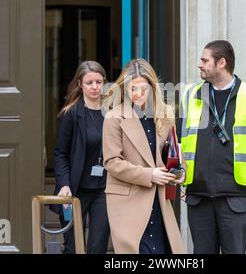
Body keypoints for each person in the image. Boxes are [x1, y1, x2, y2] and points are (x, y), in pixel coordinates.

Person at [180, 40, 246, 254]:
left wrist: (241, 174)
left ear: (221, 62)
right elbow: (181, 141)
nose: (200, 64)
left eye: (205, 60)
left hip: (236, 198)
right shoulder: (192, 96)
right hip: (199, 198)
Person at [102, 59, 185, 254]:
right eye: (133, 89)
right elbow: (112, 162)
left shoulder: (165, 114)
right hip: (128, 200)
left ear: (152, 88)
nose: (138, 94)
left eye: (143, 89)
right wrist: (150, 175)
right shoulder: (113, 117)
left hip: (159, 200)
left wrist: (179, 172)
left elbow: (173, 152)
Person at [51, 61, 110, 254]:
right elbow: (60, 153)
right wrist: (64, 184)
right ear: (80, 84)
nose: (95, 87)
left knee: (98, 246)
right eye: (89, 82)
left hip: (104, 188)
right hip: (75, 189)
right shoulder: (71, 114)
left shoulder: (112, 112)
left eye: (99, 82)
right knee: (73, 246)